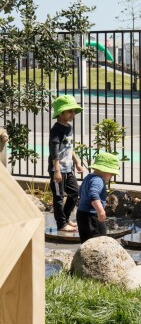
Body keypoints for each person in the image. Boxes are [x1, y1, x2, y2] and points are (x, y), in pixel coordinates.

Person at [48, 94, 83, 232]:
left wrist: (77, 162)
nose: (73, 114)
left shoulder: (69, 128)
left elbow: (69, 147)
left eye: (74, 111)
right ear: (61, 113)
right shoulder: (56, 130)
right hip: (58, 169)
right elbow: (54, 151)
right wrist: (56, 171)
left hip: (68, 169)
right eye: (70, 111)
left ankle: (66, 218)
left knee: (74, 193)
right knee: (58, 197)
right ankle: (61, 224)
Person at [76, 152, 120, 244]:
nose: (112, 176)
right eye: (111, 173)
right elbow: (93, 195)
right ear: (104, 170)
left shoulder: (88, 177)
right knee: (100, 242)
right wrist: (100, 210)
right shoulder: (98, 180)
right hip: (92, 215)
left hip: (81, 214)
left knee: (86, 242)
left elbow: (81, 192)